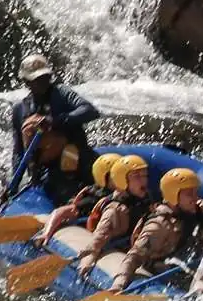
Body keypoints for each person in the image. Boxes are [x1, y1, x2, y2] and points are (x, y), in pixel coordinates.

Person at [10, 52, 100, 203]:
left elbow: (90, 111)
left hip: (79, 162)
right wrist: (13, 186)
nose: (43, 81)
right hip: (50, 173)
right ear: (26, 82)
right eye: (37, 79)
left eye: (45, 77)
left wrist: (54, 121)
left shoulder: (61, 93)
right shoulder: (20, 109)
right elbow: (19, 153)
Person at [106, 167, 203, 290]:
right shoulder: (159, 225)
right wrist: (119, 283)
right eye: (189, 194)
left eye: (196, 192)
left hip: (185, 264)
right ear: (174, 195)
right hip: (163, 270)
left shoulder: (194, 215)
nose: (196, 198)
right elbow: (134, 256)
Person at [76, 155, 155, 278]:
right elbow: (99, 237)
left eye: (145, 176)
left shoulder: (144, 198)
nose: (143, 181)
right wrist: (88, 259)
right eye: (137, 177)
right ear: (122, 181)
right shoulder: (115, 209)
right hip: (116, 246)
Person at [33, 151, 120, 247]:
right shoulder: (94, 199)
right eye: (116, 174)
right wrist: (46, 234)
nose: (122, 176)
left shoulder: (128, 192)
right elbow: (59, 212)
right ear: (105, 179)